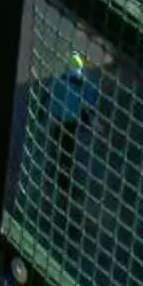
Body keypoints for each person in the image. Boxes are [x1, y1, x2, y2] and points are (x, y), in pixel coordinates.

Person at [43, 52, 102, 207]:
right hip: (70, 121)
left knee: (58, 143)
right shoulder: (80, 85)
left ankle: (53, 171)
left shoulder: (59, 81)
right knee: (67, 150)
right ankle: (64, 182)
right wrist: (91, 123)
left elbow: (47, 95)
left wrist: (42, 113)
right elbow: (85, 106)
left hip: (59, 117)